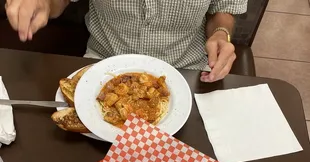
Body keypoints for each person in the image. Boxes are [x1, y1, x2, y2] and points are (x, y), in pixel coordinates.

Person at [5, 0, 247, 82]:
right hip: (103, 66)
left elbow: (222, 9)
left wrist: (221, 34)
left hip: (188, 72)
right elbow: (58, 3)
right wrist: (42, 4)